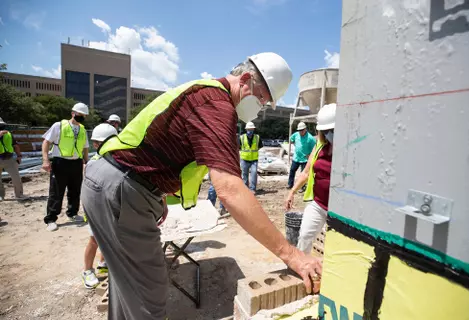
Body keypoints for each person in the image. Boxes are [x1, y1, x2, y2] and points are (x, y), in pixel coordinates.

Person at [81, 52, 322, 319]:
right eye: (263, 98)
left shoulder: (203, 93)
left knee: (127, 287)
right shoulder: (216, 104)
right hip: (123, 188)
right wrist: (291, 255)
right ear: (245, 80)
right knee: (148, 298)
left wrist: (157, 192)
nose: (262, 106)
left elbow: (154, 146)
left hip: (111, 180)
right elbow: (230, 190)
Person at [285, 103, 336, 253]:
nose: (329, 134)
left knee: (333, 248)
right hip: (318, 203)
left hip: (338, 210)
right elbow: (306, 172)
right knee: (305, 236)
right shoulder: (320, 146)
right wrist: (292, 192)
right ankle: (302, 266)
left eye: (333, 130)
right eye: (326, 131)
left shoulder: (350, 149)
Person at [41, 103, 90, 232]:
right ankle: (51, 219)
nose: (82, 117)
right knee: (56, 192)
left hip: (76, 163)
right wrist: (45, 160)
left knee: (75, 190)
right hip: (60, 162)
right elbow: (46, 142)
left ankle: (72, 214)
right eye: (80, 115)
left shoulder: (83, 130)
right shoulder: (59, 126)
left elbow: (85, 147)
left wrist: (86, 162)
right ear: (73, 113)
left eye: (84, 116)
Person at [81, 123, 118, 289]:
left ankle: (103, 263)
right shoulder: (93, 163)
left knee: (110, 237)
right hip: (96, 208)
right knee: (94, 240)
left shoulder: (117, 159)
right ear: (96, 144)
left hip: (111, 205)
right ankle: (87, 270)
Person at [0, 117, 25, 201]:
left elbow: (15, 145)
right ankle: (1, 196)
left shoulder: (8, 134)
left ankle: (19, 195)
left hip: (9, 159)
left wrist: (19, 156)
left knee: (16, 178)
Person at [287, 121, 316, 190]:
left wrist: (310, 155)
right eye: (299, 130)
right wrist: (295, 144)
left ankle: (302, 187)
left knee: (303, 174)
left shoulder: (310, 138)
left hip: (305, 159)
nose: (300, 132)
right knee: (292, 171)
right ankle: (290, 184)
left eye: (302, 130)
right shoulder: (296, 134)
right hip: (296, 158)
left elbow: (315, 147)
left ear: (305, 129)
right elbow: (291, 139)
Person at [239, 121, 262, 193]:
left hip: (254, 160)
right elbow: (239, 147)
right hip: (244, 159)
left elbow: (259, 146)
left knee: (254, 174)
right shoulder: (242, 138)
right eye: (249, 129)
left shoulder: (257, 137)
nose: (250, 131)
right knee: (244, 175)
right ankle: (245, 189)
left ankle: (252, 189)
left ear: (253, 130)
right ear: (246, 130)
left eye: (251, 129)